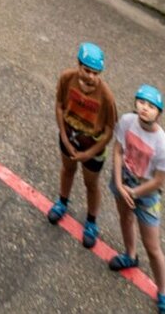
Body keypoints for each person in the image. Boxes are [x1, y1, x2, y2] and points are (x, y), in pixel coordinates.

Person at [108, 85, 165, 314]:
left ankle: (163, 293)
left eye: (151, 106)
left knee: (153, 246)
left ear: (159, 113)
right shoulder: (127, 121)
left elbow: (158, 181)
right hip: (124, 180)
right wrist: (119, 184)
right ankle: (129, 255)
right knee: (125, 219)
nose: (145, 109)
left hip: (146, 194)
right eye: (142, 103)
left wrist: (134, 193)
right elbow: (118, 150)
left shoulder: (163, 145)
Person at [46, 42, 117, 249]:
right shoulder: (67, 79)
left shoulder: (106, 97)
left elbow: (109, 130)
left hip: (92, 147)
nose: (91, 77)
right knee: (67, 170)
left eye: (96, 73)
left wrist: (90, 153)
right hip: (69, 136)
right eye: (87, 71)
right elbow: (59, 106)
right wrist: (65, 137)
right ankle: (62, 202)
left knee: (91, 184)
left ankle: (92, 221)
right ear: (78, 65)